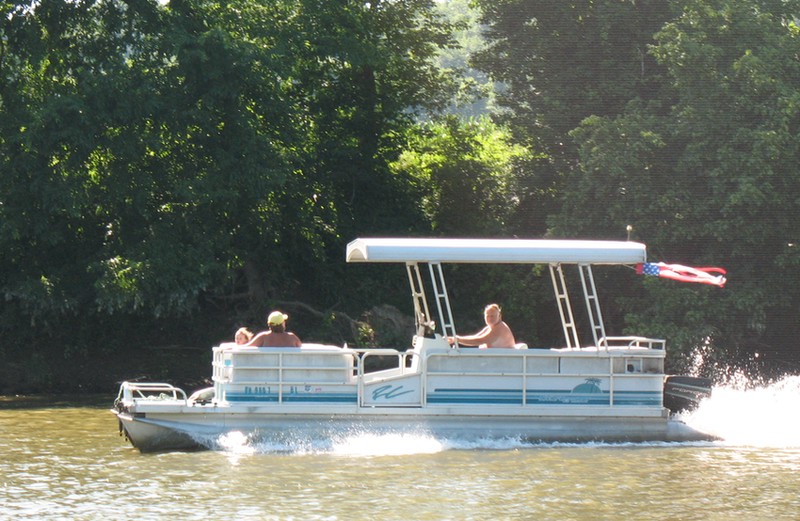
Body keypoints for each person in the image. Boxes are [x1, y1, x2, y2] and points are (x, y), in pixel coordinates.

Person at [447, 303, 516, 349]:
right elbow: (475, 337)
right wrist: (454, 339)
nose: (490, 318)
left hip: (504, 363)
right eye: (487, 316)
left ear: (500, 316)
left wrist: (457, 339)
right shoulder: (489, 328)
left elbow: (480, 340)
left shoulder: (500, 327)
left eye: (492, 316)